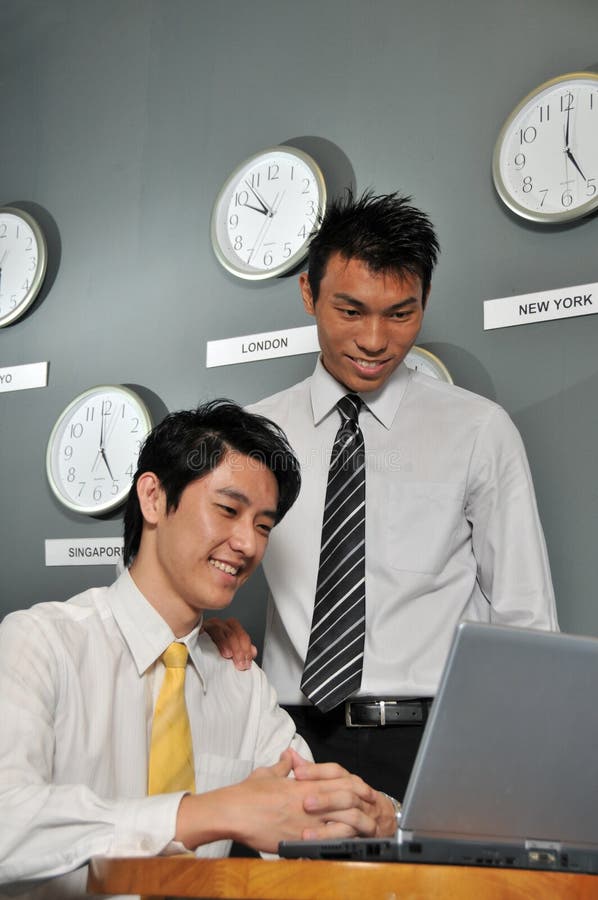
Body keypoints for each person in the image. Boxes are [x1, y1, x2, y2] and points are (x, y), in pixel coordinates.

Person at [205, 191, 559, 800]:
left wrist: (517, 765)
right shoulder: (250, 434)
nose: (375, 340)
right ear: (308, 294)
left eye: (401, 313)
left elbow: (526, 620)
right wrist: (204, 628)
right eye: (350, 310)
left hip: (438, 741)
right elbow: (169, 560)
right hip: (287, 739)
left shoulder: (479, 430)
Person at [0, 400, 396, 900]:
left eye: (263, 526)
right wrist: (211, 812)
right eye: (228, 510)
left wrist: (385, 813)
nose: (248, 544)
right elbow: (7, 822)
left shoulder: (239, 678)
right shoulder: (41, 643)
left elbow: (311, 819)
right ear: (153, 498)